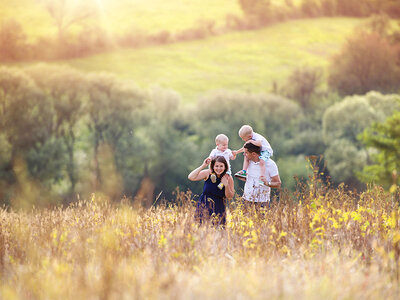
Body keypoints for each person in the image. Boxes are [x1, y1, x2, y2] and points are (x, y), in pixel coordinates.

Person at [188, 156, 234, 225]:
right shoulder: (208, 173)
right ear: (213, 166)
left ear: (225, 167)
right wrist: (203, 166)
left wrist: (226, 185)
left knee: (218, 230)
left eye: (221, 166)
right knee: (202, 229)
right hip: (204, 206)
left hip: (219, 207)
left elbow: (230, 197)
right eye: (216, 166)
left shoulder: (228, 178)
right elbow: (191, 177)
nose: (219, 168)